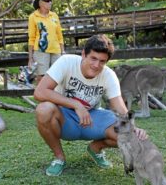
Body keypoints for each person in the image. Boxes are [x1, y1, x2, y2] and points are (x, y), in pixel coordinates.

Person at [34, 34, 148, 176]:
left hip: (92, 119)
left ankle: (96, 148)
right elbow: (39, 92)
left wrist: (134, 127)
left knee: (130, 136)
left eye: (102, 61)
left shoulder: (108, 75)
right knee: (43, 109)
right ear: (83, 54)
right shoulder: (66, 62)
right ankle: (59, 158)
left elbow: (119, 106)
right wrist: (76, 105)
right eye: (93, 58)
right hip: (64, 118)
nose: (96, 65)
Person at [28, 0, 65, 85]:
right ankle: (42, 99)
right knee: (42, 77)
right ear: (40, 3)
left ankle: (55, 99)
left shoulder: (54, 15)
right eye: (47, 1)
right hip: (40, 51)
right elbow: (31, 38)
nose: (50, 2)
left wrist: (62, 51)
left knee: (58, 77)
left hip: (56, 50)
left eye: (51, 0)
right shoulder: (33, 17)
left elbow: (59, 35)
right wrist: (30, 58)